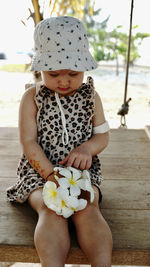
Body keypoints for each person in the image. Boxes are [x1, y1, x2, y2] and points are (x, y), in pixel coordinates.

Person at [7, 16, 112, 267]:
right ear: (41, 68)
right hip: (39, 171)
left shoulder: (91, 97)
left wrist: (87, 148)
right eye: (53, 73)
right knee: (50, 208)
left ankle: (102, 263)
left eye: (73, 73)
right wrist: (49, 175)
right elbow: (29, 142)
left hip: (81, 172)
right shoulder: (32, 98)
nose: (64, 81)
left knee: (87, 207)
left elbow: (103, 135)